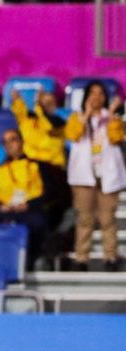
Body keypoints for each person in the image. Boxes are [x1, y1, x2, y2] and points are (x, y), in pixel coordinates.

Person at [65, 81, 126, 271]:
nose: (96, 97)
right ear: (86, 97)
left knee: (108, 219)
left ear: (105, 98)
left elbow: (116, 138)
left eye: (100, 94)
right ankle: (81, 258)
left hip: (107, 175)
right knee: (85, 219)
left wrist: (113, 115)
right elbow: (73, 135)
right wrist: (86, 115)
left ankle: (111, 257)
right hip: (84, 176)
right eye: (92, 93)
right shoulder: (76, 118)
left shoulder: (112, 119)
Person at [0, 128, 47, 269]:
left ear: (22, 142)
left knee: (38, 221)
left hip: (28, 211)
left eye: (13, 140)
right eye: (5, 142)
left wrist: (28, 205)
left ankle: (31, 261)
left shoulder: (37, 167)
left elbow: (46, 194)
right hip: (4, 211)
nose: (9, 145)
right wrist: (0, 206)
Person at [10, 89, 70, 231]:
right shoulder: (28, 121)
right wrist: (17, 100)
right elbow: (20, 112)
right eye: (45, 102)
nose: (47, 105)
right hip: (31, 171)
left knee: (52, 210)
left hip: (53, 172)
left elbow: (48, 125)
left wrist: (39, 107)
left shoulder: (59, 123)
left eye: (50, 102)